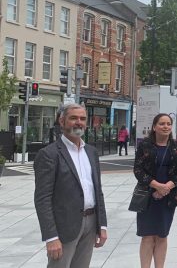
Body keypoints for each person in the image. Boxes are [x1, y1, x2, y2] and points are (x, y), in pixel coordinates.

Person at [33, 103, 108, 268]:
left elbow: (98, 191)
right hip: (64, 227)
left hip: (90, 222)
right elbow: (42, 198)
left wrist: (102, 225)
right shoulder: (49, 154)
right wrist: (51, 237)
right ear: (62, 121)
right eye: (73, 118)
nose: (78, 122)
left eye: (82, 119)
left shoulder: (91, 152)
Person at [133, 114, 177, 268]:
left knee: (162, 235)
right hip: (148, 196)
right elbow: (138, 170)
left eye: (168, 124)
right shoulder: (145, 145)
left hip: (168, 197)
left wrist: (167, 187)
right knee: (147, 236)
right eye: (162, 123)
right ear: (154, 127)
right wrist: (157, 186)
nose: (166, 126)